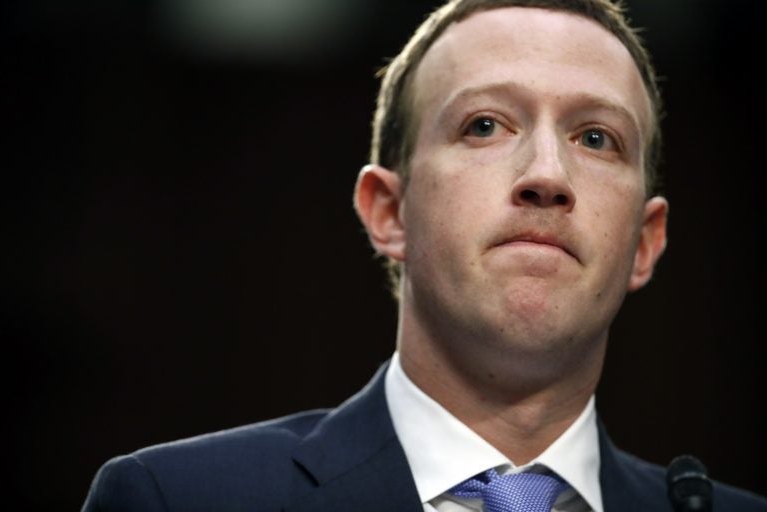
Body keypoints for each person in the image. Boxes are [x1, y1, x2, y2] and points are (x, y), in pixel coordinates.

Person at [82, 1, 767, 511]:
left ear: (645, 244)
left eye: (595, 138)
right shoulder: (181, 499)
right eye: (486, 125)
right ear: (389, 212)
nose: (547, 175)